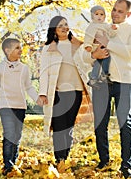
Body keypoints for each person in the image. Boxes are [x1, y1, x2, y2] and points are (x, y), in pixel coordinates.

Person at [84, 0, 131, 178]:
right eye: (114, 10)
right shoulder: (101, 28)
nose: (115, 13)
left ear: (128, 14)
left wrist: (108, 43)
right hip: (101, 82)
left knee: (126, 124)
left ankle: (126, 166)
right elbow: (85, 55)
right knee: (100, 123)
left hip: (124, 82)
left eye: (120, 11)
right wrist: (94, 53)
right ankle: (104, 160)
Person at [38, 15, 92, 166]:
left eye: (66, 24)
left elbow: (87, 65)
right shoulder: (48, 48)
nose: (64, 27)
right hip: (57, 91)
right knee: (59, 125)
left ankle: (65, 157)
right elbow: (44, 72)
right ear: (54, 29)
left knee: (69, 125)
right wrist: (43, 93)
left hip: (76, 91)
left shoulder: (78, 46)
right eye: (60, 25)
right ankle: (59, 158)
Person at [0, 38, 41, 176]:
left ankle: (13, 162)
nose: (20, 50)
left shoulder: (24, 68)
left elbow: (29, 87)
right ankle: (7, 165)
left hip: (20, 106)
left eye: (20, 47)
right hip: (6, 106)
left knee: (17, 135)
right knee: (9, 135)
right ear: (7, 50)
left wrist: (38, 99)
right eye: (17, 48)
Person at [84, 5, 118, 88]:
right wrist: (88, 45)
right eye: (97, 14)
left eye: (102, 14)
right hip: (96, 47)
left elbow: (111, 34)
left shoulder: (106, 25)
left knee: (104, 60)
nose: (99, 16)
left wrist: (113, 29)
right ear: (92, 16)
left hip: (104, 46)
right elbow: (88, 36)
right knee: (99, 61)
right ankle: (98, 77)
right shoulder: (92, 26)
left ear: (105, 16)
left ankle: (98, 77)